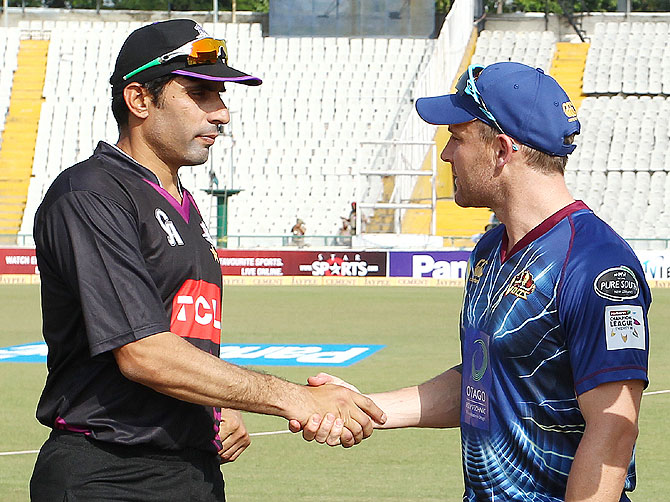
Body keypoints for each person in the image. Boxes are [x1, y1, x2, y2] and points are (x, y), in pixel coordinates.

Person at [30, 19, 384, 502]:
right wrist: (294, 396)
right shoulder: (92, 193)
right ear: (139, 101)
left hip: (191, 468)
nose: (222, 114)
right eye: (200, 93)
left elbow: (179, 335)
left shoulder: (179, 199)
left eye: (221, 96)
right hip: (111, 472)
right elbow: (143, 352)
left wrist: (212, 408)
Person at [295, 62, 651, 501]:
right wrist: (367, 406)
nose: (445, 154)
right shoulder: (489, 250)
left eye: (457, 138)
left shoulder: (595, 264)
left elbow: (614, 429)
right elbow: (485, 381)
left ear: (501, 150)